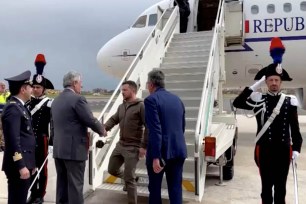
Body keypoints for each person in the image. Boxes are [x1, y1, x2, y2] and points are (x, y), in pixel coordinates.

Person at [233, 38, 303, 204]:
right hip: (265, 151)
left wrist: (297, 149)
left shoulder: (289, 101)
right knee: (266, 190)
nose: (273, 83)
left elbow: (295, 129)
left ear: (280, 82)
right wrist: (253, 86)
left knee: (281, 189)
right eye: (270, 80)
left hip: (283, 151)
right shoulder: (259, 99)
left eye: (276, 80)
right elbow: (237, 103)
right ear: (266, 82)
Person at [50, 71, 104, 204]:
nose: (81, 86)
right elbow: (90, 120)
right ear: (74, 83)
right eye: (80, 83)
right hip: (74, 151)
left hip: (59, 150)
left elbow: (53, 125)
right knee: (75, 187)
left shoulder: (56, 100)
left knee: (62, 186)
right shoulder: (78, 99)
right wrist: (102, 130)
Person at [144, 70, 187, 204]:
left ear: (151, 84)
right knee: (175, 190)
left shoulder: (151, 100)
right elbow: (182, 127)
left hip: (160, 153)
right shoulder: (177, 99)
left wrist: (156, 156)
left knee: (155, 190)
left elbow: (155, 130)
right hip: (178, 150)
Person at [104, 80, 147, 204]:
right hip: (120, 145)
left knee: (129, 179)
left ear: (133, 91)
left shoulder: (141, 106)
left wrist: (143, 146)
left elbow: (148, 126)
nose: (122, 92)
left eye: (124, 90)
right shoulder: (122, 106)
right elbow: (114, 119)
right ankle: (131, 178)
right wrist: (104, 127)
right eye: (121, 90)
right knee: (112, 169)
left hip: (133, 147)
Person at [1, 70, 36, 204]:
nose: (32, 89)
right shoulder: (13, 109)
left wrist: (30, 164)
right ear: (23, 89)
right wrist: (21, 165)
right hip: (17, 166)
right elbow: (13, 141)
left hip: (24, 163)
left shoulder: (20, 107)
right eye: (30, 86)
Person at [26, 54, 54, 204]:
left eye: (38, 87)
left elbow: (53, 124)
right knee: (30, 167)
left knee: (42, 169)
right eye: (34, 87)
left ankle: (40, 195)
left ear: (43, 89)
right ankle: (32, 192)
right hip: (29, 140)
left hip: (42, 139)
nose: (35, 89)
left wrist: (52, 143)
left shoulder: (49, 103)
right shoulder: (28, 103)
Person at [0, 81, 10, 152]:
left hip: (5, 114)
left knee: (4, 130)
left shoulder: (7, 94)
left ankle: (3, 145)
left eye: (4, 85)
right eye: (1, 86)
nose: (3, 87)